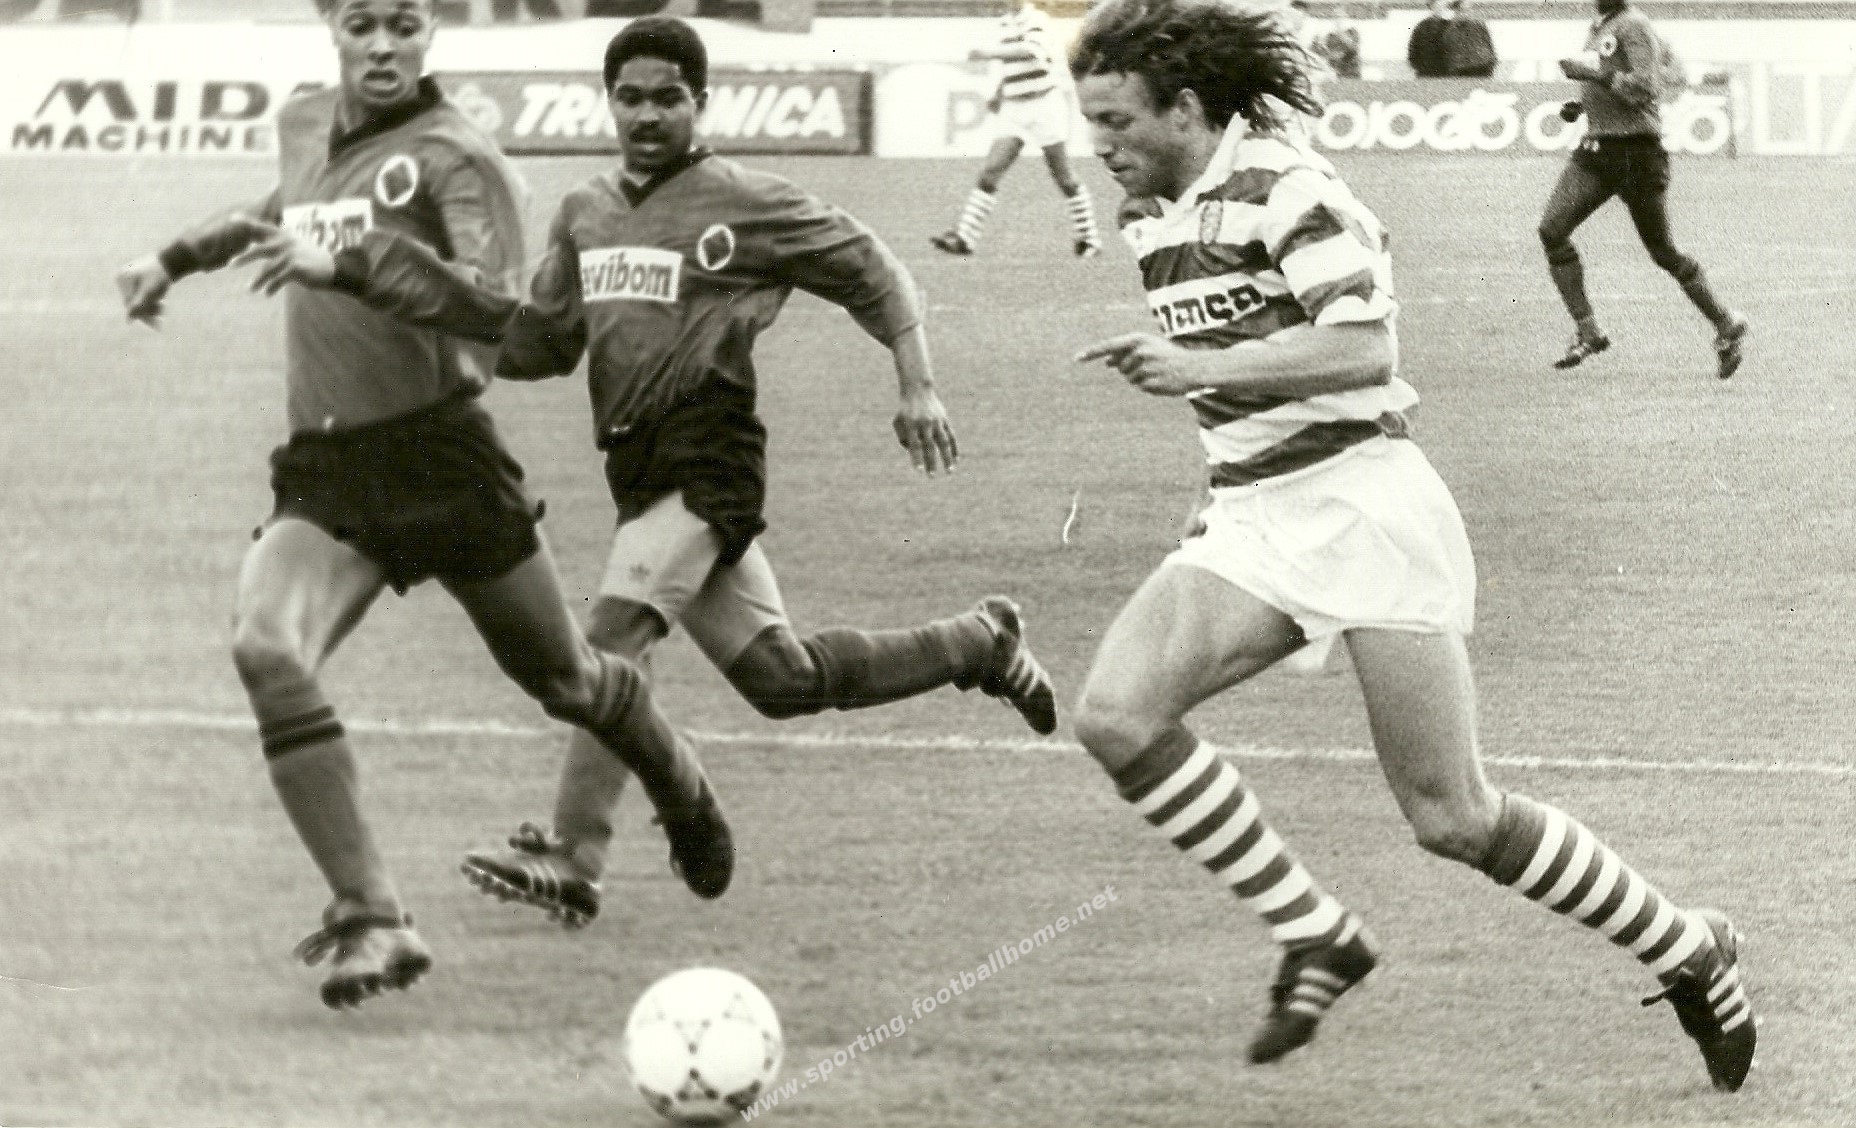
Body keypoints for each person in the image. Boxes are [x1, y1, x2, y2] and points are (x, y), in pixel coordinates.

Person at [1066, 0, 1756, 1089]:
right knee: (1114, 714)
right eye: (1089, 122)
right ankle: (1316, 933)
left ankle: (1687, 947)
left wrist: (1200, 368)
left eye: (1114, 120)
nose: (1097, 143)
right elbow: (1238, 370)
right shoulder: (1147, 214)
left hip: (1365, 509)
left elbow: (1363, 349)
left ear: (1185, 108)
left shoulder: (1287, 186)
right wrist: (1210, 472)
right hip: (1251, 516)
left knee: (1452, 817)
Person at [240, 16, 1060, 929]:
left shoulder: (746, 201)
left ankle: (575, 855)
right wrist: (421, 320)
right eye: (630, 98)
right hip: (637, 468)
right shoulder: (586, 212)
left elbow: (875, 270)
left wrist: (919, 385)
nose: (647, 115)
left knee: (617, 628)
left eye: (668, 98)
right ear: (610, 103)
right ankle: (980, 642)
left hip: (709, 454)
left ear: (700, 103)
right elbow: (542, 341)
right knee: (782, 680)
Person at [113, 0, 731, 1009]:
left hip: (442, 458)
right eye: (362, 22)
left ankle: (679, 781)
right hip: (328, 466)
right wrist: (172, 259)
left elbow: (501, 305)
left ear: (431, 28)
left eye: (403, 22)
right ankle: (373, 917)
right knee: (266, 647)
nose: (382, 44)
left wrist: (351, 265)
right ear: (330, 22)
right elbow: (283, 207)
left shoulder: (460, 157)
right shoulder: (305, 120)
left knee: (567, 680)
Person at [1543, 0, 1746, 377]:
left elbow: (1647, 87)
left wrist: (1593, 75)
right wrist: (1584, 103)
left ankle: (1725, 323)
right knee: (1552, 229)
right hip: (1600, 147)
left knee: (1663, 251)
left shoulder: (1633, 25)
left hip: (1636, 153)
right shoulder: (1602, 26)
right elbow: (1626, 78)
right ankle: (1588, 330)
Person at [931, 0, 1102, 259]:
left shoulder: (1036, 20)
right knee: (991, 171)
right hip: (1015, 108)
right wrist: (999, 93)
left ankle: (1089, 239)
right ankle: (964, 238)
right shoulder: (1006, 23)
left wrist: (987, 53)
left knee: (1063, 176)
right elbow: (1012, 65)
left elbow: (1032, 52)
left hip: (1043, 105)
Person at [1407, 0, 1495, 79]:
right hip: (1474, 71)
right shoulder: (1428, 26)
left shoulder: (1427, 25)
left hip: (1447, 73)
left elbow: (1415, 56)